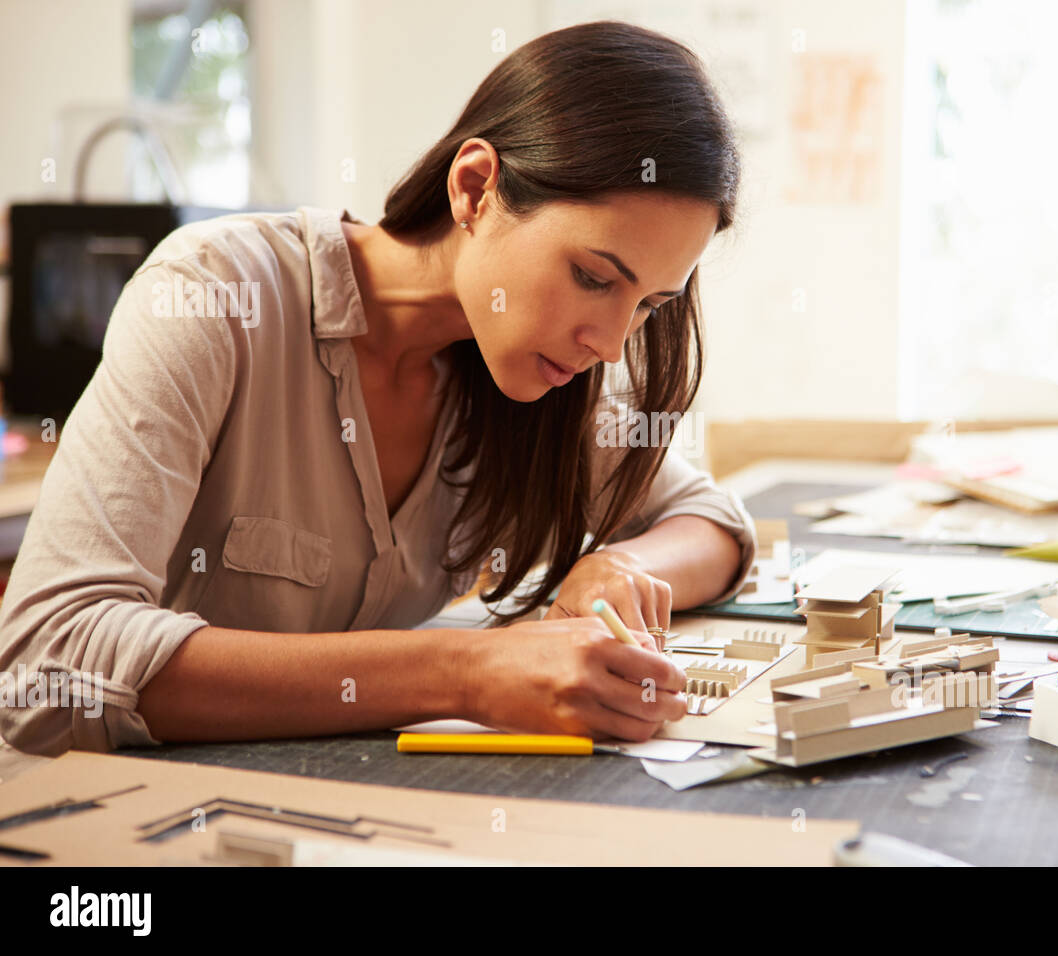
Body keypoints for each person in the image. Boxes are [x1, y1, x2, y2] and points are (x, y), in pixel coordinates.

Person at [0, 20, 756, 756]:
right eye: (593, 277)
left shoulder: (532, 379)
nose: (611, 344)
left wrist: (621, 567)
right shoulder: (216, 294)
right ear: (475, 188)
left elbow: (711, 521)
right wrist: (466, 673)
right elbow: (46, 661)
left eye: (649, 305)